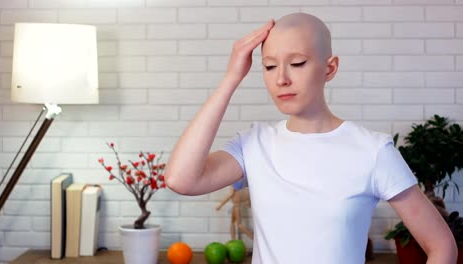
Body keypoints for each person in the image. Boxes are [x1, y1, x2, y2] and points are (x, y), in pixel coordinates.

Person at [165, 12, 457, 263]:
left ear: (329, 68)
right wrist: (230, 79)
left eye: (297, 63)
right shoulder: (254, 143)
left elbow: (442, 246)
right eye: (269, 66)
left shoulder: (372, 150)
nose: (281, 79)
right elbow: (181, 179)